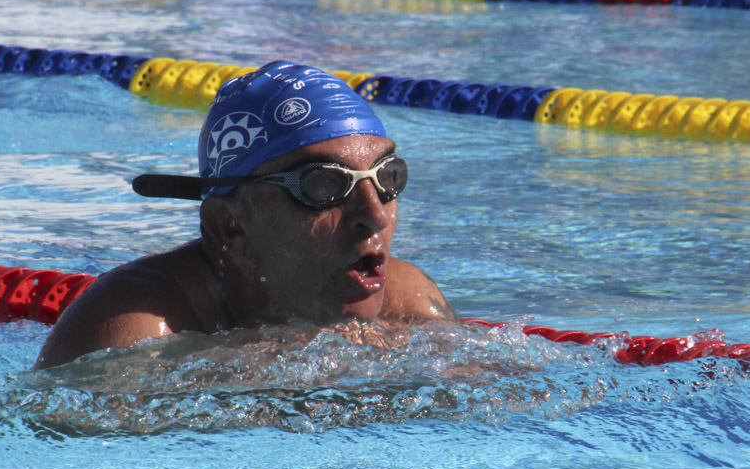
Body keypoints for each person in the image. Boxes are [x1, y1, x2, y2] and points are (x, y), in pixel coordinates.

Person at [34, 60, 456, 369]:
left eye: (387, 176)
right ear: (229, 225)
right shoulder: (131, 327)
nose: (375, 215)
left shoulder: (407, 299)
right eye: (325, 184)